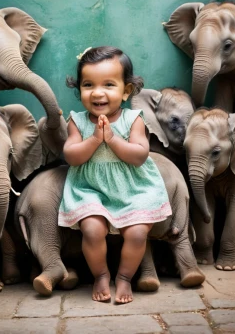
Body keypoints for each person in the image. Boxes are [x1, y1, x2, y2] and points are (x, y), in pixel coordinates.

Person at [58, 46, 171, 304]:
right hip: (90, 188)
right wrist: (95, 139)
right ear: (80, 90)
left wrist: (112, 139)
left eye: (109, 84)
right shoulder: (78, 120)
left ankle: (124, 277)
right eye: (88, 85)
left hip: (132, 187)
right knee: (92, 229)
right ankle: (100, 275)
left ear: (126, 90)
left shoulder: (133, 119)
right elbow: (71, 155)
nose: (98, 93)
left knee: (137, 233)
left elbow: (140, 155)